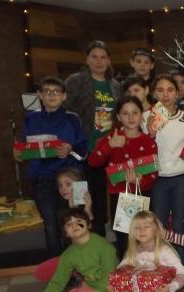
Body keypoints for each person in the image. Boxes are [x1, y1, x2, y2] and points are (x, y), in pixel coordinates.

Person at [14, 76, 86, 257]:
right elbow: (23, 148)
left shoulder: (73, 118)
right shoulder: (30, 119)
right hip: (43, 178)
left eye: (56, 92)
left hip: (72, 178)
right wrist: (18, 154)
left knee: (76, 221)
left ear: (64, 96)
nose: (51, 95)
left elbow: (84, 150)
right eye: (47, 92)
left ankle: (82, 264)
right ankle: (58, 267)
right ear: (39, 95)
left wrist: (70, 149)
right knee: (51, 224)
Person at [88, 96, 158, 258]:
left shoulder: (148, 142)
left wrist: (140, 180)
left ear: (142, 115)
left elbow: (153, 175)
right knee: (123, 240)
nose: (131, 117)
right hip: (119, 197)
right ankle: (125, 277)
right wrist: (109, 145)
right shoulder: (111, 139)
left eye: (135, 112)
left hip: (142, 195)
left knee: (146, 239)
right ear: (118, 117)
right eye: (125, 113)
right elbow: (93, 161)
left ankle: (146, 276)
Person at [64, 40, 121, 236]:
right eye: (94, 57)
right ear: (87, 59)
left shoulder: (114, 85)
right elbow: (67, 115)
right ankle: (82, 243)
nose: (99, 61)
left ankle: (103, 242)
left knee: (102, 200)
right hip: (82, 152)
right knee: (81, 200)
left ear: (109, 60)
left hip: (109, 151)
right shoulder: (75, 82)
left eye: (103, 57)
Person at [143, 74, 184, 262]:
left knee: (181, 222)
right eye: (160, 90)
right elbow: (141, 150)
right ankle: (162, 264)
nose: (165, 94)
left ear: (177, 93)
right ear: (153, 93)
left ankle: (181, 265)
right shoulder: (145, 118)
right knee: (159, 223)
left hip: (182, 176)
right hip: (158, 178)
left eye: (170, 90)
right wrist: (150, 132)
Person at [37, 208, 119, 292]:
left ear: (88, 224)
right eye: (69, 224)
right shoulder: (69, 254)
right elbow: (58, 281)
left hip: (112, 286)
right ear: (65, 232)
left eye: (78, 221)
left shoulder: (104, 246)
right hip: (90, 286)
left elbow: (110, 274)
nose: (74, 225)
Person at [117, 211, 184, 292]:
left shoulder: (165, 251)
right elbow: (121, 268)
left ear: (156, 230)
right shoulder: (133, 251)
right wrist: (117, 282)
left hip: (161, 290)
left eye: (146, 227)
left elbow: (182, 273)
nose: (141, 230)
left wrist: (170, 287)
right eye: (137, 228)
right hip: (140, 290)